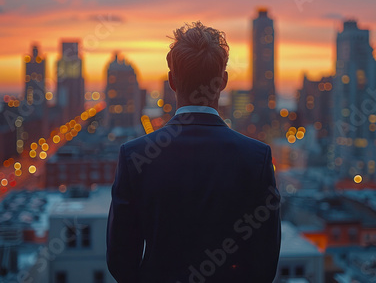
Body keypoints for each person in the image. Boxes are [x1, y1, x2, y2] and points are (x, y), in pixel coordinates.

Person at [107, 22, 281, 283]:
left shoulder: (135, 156)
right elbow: (265, 263)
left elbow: (120, 260)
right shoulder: (255, 158)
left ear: (172, 81)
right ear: (222, 81)